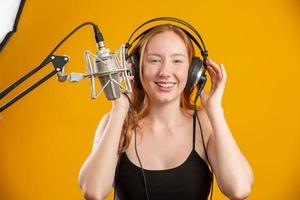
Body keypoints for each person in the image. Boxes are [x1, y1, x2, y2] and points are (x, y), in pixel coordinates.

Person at [78, 23, 254, 200]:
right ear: (135, 67)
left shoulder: (204, 124)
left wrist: (215, 110)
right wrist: (120, 110)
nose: (165, 72)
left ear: (194, 71)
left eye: (177, 61)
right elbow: (93, 192)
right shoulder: (116, 123)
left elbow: (239, 189)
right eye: (154, 60)